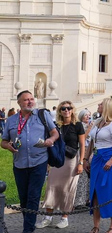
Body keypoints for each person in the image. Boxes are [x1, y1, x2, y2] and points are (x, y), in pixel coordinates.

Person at [1, 90, 60, 233]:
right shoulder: (12, 120)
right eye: (26, 100)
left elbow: (55, 133)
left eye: (31, 99)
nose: (30, 101)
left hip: (39, 162)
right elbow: (3, 141)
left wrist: (50, 140)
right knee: (23, 198)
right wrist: (7, 146)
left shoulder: (42, 115)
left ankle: (27, 229)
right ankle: (30, 224)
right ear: (19, 103)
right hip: (19, 163)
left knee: (33, 197)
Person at [38, 100, 86, 229]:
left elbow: (82, 145)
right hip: (57, 159)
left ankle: (64, 218)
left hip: (71, 160)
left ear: (72, 110)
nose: (66, 111)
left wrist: (81, 162)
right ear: (60, 111)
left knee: (67, 189)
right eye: (63, 108)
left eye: (69, 108)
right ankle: (48, 217)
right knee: (52, 186)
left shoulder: (78, 125)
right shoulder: (56, 126)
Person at [85, 98, 112, 233]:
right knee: (95, 193)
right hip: (97, 158)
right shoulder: (98, 122)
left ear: (108, 107)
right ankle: (96, 225)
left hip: (109, 158)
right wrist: (86, 158)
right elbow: (92, 141)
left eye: (101, 104)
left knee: (110, 192)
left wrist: (111, 160)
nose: (98, 105)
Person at [74, 109, 93, 209]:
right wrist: (89, 128)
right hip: (81, 151)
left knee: (89, 177)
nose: (88, 117)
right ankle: (79, 201)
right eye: (86, 115)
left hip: (89, 152)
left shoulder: (93, 125)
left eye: (89, 115)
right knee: (82, 177)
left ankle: (88, 199)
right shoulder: (80, 125)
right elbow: (83, 138)